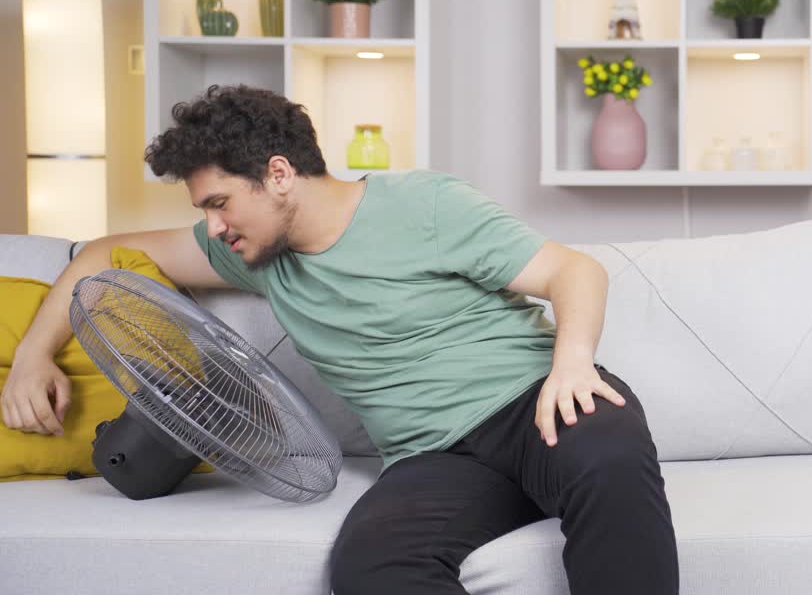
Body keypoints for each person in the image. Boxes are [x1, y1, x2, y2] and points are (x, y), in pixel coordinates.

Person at [0, 84, 679, 594]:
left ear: (278, 174)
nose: (212, 226)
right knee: (371, 562)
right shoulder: (250, 252)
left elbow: (574, 270)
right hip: (434, 456)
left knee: (609, 457)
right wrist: (31, 357)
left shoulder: (423, 205)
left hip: (534, 404)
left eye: (217, 203)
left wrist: (571, 365)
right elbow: (102, 255)